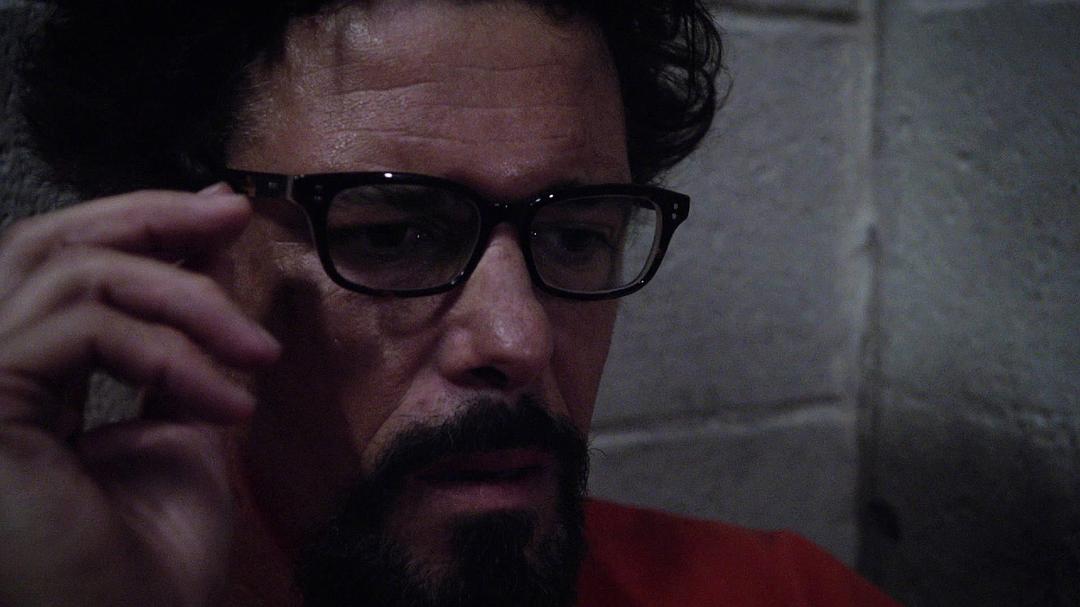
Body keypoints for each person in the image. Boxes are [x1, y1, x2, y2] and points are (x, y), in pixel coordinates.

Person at [0, 1, 900, 605]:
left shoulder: (781, 591)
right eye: (393, 235)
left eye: (573, 235)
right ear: (177, 259)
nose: (518, 337)